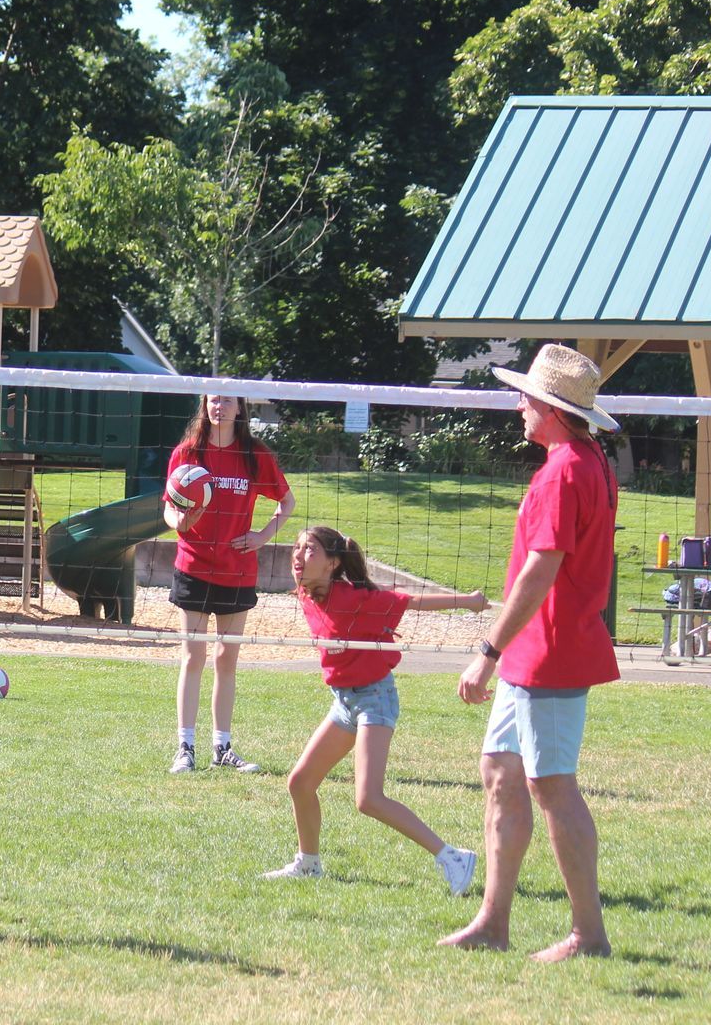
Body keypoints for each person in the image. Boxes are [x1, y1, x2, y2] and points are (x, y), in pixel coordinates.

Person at [441, 344, 619, 961]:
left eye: (527, 396)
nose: (519, 404)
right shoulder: (581, 461)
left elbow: (540, 572)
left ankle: (588, 936)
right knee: (500, 773)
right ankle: (493, 922)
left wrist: (487, 651)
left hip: (551, 652)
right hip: (535, 651)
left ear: (552, 408)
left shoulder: (567, 470)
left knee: (552, 786)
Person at [262, 524, 487, 894]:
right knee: (300, 782)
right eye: (297, 548)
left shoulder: (357, 598)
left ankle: (452, 857)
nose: (298, 556)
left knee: (368, 799)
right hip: (343, 702)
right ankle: (308, 864)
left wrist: (468, 601)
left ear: (333, 563)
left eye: (310, 549)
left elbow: (411, 602)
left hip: (374, 699)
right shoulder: (306, 593)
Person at [163, 394, 294, 775]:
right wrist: (179, 522)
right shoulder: (188, 453)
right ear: (205, 406)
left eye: (227, 401)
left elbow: (287, 502)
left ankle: (222, 747)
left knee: (226, 659)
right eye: (213, 400)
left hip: (237, 571)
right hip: (193, 566)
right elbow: (169, 507)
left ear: (240, 408)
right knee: (193, 657)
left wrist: (263, 536)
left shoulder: (254, 455)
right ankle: (185, 747)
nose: (219, 406)